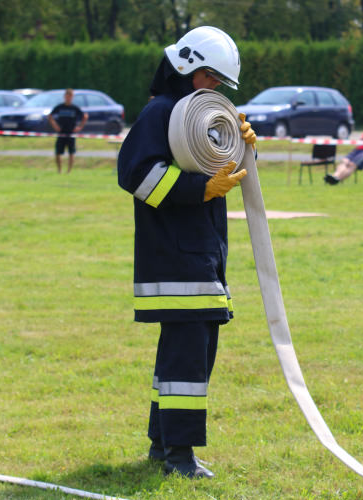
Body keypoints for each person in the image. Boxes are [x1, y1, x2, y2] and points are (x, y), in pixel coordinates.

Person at [117, 26, 256, 479]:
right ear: (186, 67)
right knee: (187, 360)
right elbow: (135, 174)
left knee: (186, 355)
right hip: (176, 259)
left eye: (220, 83)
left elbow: (220, 168)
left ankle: (162, 444)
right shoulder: (160, 112)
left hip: (201, 255)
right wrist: (200, 189)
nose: (214, 88)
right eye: (210, 78)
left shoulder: (194, 113)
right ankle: (180, 454)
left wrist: (239, 146)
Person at [324, 117, 363, 184]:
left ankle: (338, 179)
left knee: (352, 164)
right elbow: (358, 145)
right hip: (358, 151)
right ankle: (334, 176)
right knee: (344, 161)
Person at [48, 88, 88, 174]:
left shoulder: (74, 108)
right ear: (65, 96)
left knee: (71, 152)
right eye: (67, 96)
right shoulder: (60, 107)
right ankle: (59, 170)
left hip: (71, 133)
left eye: (70, 96)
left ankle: (69, 171)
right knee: (58, 152)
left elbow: (85, 116)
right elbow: (50, 116)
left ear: (72, 97)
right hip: (61, 133)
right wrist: (55, 125)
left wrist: (79, 127)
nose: (68, 98)